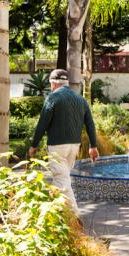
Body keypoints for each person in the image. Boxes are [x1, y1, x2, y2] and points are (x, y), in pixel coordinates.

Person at [29, 69, 99, 214]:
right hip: (74, 146)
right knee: (62, 178)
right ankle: (57, 213)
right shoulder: (80, 99)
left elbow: (42, 123)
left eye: (50, 84)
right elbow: (90, 124)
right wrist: (93, 146)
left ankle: (75, 217)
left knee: (61, 180)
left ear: (53, 83)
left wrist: (34, 145)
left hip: (57, 147)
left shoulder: (53, 97)